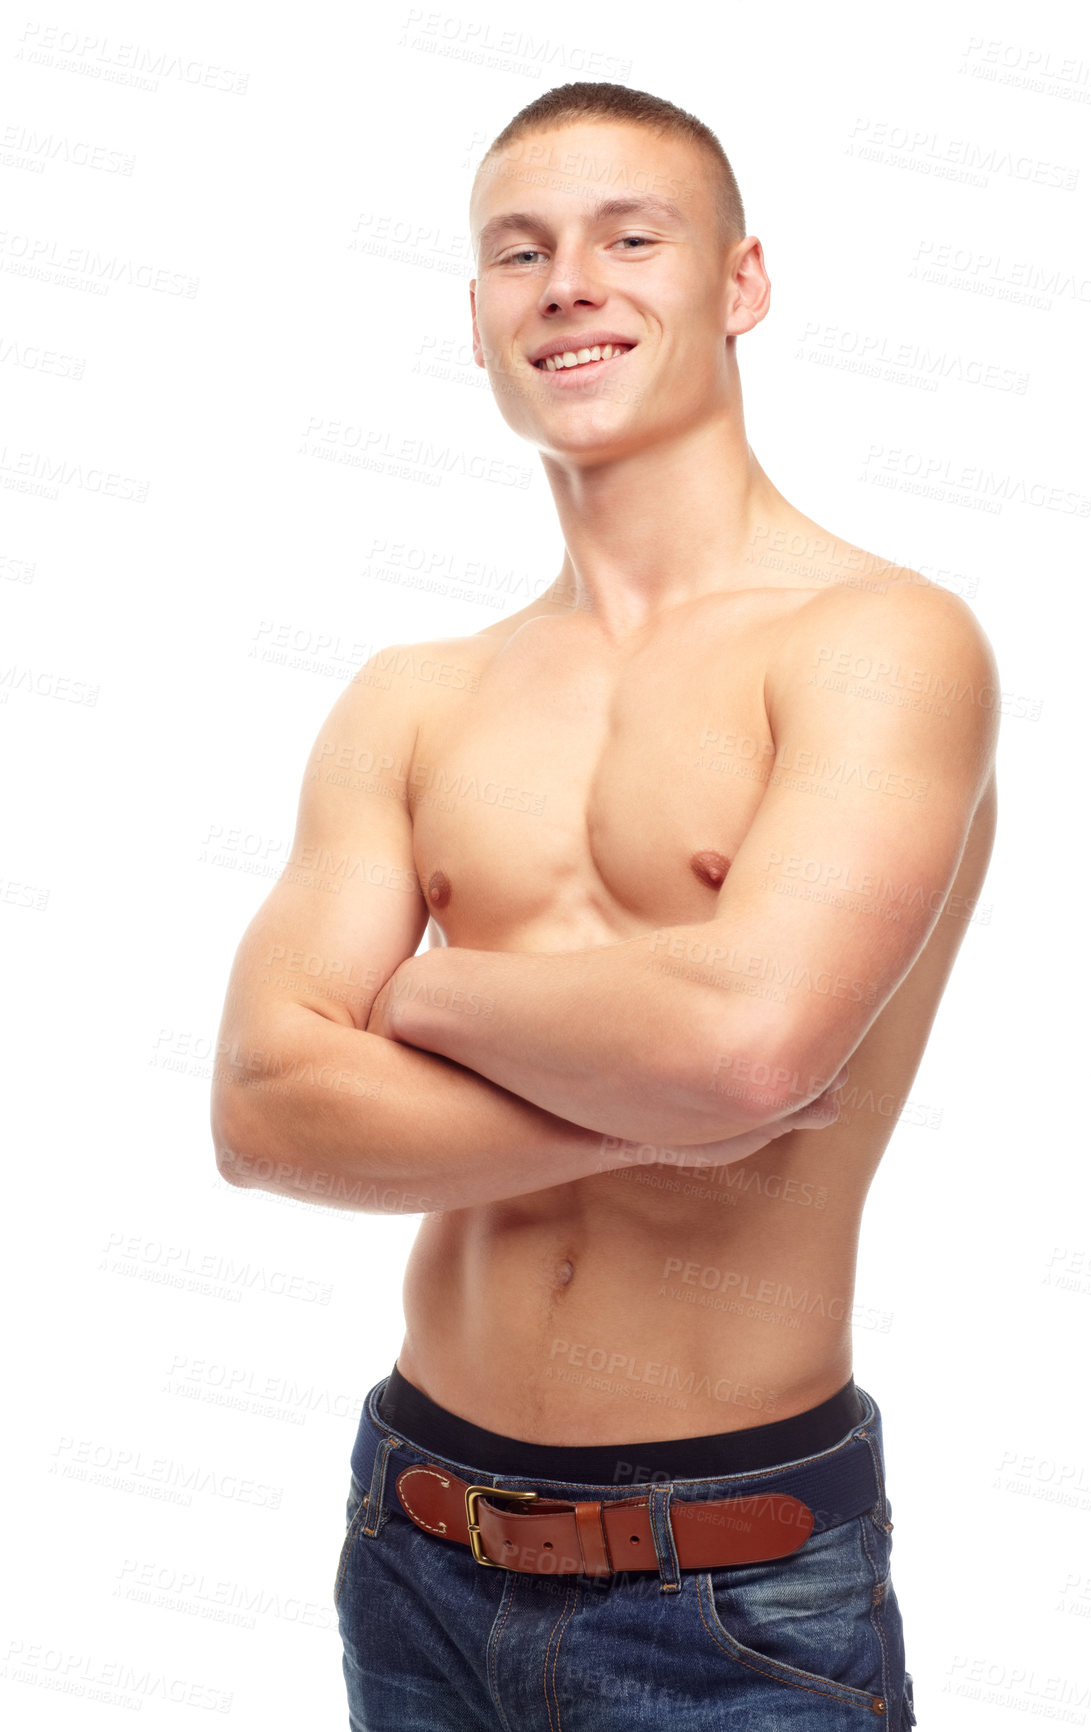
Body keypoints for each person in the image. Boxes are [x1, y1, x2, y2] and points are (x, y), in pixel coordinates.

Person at [211, 81, 997, 1730]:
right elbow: (264, 1103)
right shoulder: (411, 697)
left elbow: (741, 1052)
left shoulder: (875, 644)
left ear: (739, 284)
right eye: (519, 251)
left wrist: (411, 995)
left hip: (725, 1589)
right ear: (481, 317)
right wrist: (648, 1116)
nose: (569, 281)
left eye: (630, 237)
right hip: (414, 1533)